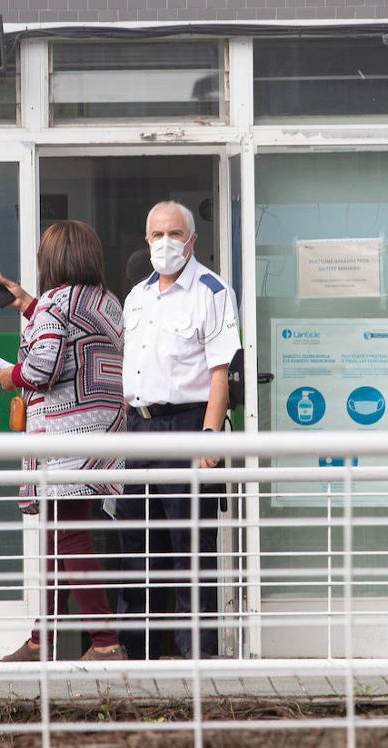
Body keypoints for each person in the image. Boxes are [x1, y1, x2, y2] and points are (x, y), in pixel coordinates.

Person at [0, 220, 128, 662]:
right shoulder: (108, 302)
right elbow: (68, 337)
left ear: (51, 261)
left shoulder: (54, 304)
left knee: (69, 538)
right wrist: (27, 303)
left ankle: (104, 643)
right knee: (60, 537)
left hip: (63, 440)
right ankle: (39, 640)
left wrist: (11, 375)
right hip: (102, 436)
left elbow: (41, 369)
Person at [116, 200, 241, 660]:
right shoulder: (138, 296)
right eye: (156, 235)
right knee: (137, 544)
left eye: (174, 234)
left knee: (191, 547)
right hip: (139, 428)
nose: (165, 243)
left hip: (188, 426)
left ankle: (197, 658)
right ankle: (135, 654)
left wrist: (210, 437)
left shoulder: (212, 291)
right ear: (146, 240)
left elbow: (219, 373)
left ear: (192, 240)